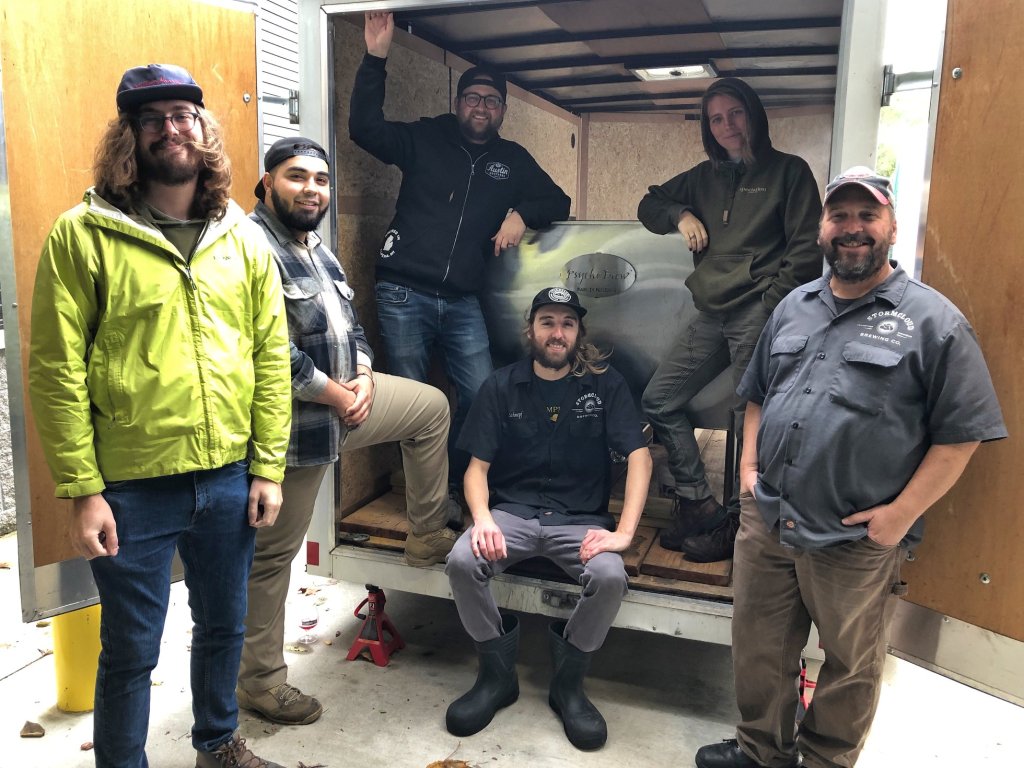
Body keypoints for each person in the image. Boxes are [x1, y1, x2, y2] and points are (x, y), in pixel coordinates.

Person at [695, 168, 1007, 768]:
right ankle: (761, 752)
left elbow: (960, 437)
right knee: (758, 649)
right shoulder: (794, 306)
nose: (853, 229)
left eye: (868, 216)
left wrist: (899, 516)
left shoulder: (934, 323)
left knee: (849, 662)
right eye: (840, 216)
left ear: (890, 225)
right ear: (823, 229)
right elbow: (758, 391)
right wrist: (749, 472)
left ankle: (825, 760)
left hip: (854, 539)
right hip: (770, 523)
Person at [28, 65, 292, 768]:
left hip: (230, 477)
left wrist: (266, 467)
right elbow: (55, 372)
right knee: (131, 651)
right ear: (130, 137)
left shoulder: (239, 236)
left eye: (184, 115)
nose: (171, 129)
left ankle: (217, 745)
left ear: (203, 130)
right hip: (133, 488)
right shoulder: (83, 234)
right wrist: (84, 490)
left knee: (223, 629)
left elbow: (270, 355)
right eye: (152, 119)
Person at [237, 137, 459, 725]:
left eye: (320, 179)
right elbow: (266, 352)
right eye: (296, 177)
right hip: (294, 430)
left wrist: (361, 373)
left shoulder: (316, 247)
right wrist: (336, 394)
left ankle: (426, 535)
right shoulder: (248, 246)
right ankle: (259, 684)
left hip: (345, 404)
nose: (312, 189)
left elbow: (351, 323)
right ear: (266, 183)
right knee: (273, 558)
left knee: (430, 408)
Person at [349, 11, 572, 494]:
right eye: (473, 98)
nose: (481, 107)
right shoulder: (425, 137)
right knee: (413, 400)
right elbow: (364, 128)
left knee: (480, 392)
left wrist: (521, 215)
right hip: (403, 291)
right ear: (458, 101)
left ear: (502, 111)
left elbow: (559, 201)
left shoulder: (511, 160)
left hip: (463, 298)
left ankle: (455, 481)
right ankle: (423, 501)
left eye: (492, 102)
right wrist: (376, 57)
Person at [445, 288, 653, 751]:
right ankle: (496, 677)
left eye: (567, 323)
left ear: (578, 334)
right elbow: (476, 469)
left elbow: (640, 458)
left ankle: (568, 685)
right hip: (511, 514)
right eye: (547, 322)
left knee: (609, 576)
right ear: (530, 330)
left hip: (579, 522)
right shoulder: (501, 386)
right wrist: (482, 520)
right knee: (462, 562)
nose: (557, 332)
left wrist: (623, 534)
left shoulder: (605, 385)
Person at [637, 77, 822, 562]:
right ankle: (699, 505)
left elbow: (807, 252)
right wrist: (680, 214)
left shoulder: (789, 172)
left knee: (751, 423)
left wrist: (770, 304)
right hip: (711, 313)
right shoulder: (703, 176)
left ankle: (743, 528)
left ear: (754, 114)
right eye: (716, 118)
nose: (727, 126)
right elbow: (648, 203)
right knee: (658, 399)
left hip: (757, 312)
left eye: (735, 113)